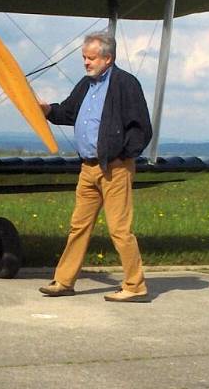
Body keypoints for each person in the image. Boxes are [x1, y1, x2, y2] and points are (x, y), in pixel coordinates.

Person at [38, 31, 153, 302]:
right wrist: (46, 111)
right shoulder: (85, 84)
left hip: (115, 168)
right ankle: (64, 281)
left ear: (108, 58)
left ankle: (135, 285)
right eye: (84, 58)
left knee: (119, 230)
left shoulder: (126, 84)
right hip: (87, 168)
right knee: (78, 226)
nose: (86, 63)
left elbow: (141, 128)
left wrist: (122, 156)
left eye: (91, 58)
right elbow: (67, 112)